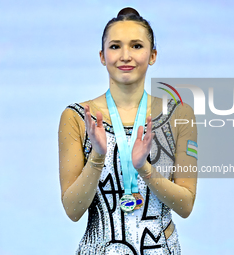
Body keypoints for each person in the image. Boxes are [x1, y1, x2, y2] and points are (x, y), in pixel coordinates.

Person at [58, 7, 198, 255]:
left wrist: (144, 169)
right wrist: (97, 157)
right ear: (102, 56)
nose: (125, 56)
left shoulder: (179, 115)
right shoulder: (78, 117)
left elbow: (185, 205)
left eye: (136, 46)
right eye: (115, 46)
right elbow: (73, 210)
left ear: (153, 55)